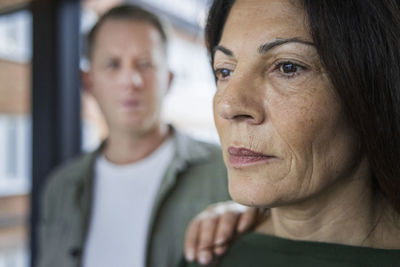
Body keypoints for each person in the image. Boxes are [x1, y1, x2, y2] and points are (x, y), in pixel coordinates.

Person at [179, 0, 400, 266]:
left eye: (287, 67)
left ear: (375, 88)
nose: (228, 105)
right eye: (224, 71)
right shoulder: (208, 254)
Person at [36, 4, 234, 267]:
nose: (131, 80)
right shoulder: (60, 188)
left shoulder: (227, 174)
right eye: (113, 64)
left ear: (169, 79)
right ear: (89, 82)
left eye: (145, 64)